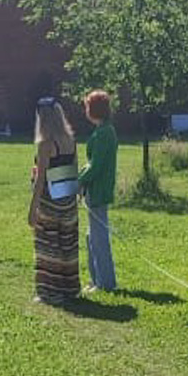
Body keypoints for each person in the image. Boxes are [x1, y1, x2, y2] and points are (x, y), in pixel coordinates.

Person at [29, 95, 81, 305]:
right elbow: (75, 168)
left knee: (48, 245)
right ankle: (69, 288)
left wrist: (32, 208)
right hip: (68, 199)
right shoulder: (70, 139)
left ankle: (50, 292)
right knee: (67, 245)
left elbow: (41, 178)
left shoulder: (45, 144)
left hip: (50, 201)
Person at [78, 90, 118, 293]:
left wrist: (79, 182)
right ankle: (96, 280)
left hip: (99, 191)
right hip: (94, 190)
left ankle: (106, 284)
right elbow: (91, 163)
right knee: (91, 236)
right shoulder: (102, 130)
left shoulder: (104, 133)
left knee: (99, 238)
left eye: (87, 106)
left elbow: (96, 165)